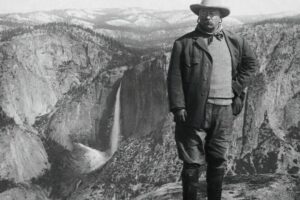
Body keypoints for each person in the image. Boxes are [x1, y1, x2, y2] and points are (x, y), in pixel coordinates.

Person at [167, 0, 258, 199]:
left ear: (221, 16)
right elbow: (174, 77)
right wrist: (178, 106)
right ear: (198, 15)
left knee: (218, 159)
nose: (208, 16)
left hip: (224, 111)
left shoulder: (235, 41)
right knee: (192, 162)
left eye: (213, 13)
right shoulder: (183, 43)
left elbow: (251, 65)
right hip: (193, 110)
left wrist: (235, 87)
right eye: (204, 12)